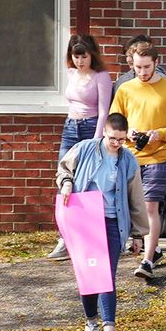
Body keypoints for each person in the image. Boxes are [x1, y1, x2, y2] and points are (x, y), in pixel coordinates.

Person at [56, 112, 148, 331]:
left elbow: (136, 199)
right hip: (85, 219)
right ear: (104, 133)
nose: (116, 143)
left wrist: (138, 234)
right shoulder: (84, 149)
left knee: (106, 277)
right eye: (112, 138)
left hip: (112, 222)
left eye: (120, 139)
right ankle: (91, 323)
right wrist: (66, 183)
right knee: (88, 276)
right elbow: (64, 168)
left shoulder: (128, 161)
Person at [109, 42, 166, 281]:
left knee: (150, 206)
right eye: (137, 68)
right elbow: (115, 121)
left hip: (158, 155)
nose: (142, 72)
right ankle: (150, 246)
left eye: (147, 67)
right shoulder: (125, 89)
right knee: (125, 203)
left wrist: (160, 133)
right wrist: (129, 131)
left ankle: (147, 259)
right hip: (129, 154)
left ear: (156, 63)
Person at [48, 34, 113, 261]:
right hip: (70, 127)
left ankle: (91, 237)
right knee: (64, 177)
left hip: (89, 128)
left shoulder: (101, 77)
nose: (80, 61)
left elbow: (104, 111)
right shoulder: (71, 73)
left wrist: (96, 141)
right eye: (76, 57)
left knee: (89, 181)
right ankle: (64, 238)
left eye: (84, 57)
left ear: (91, 55)